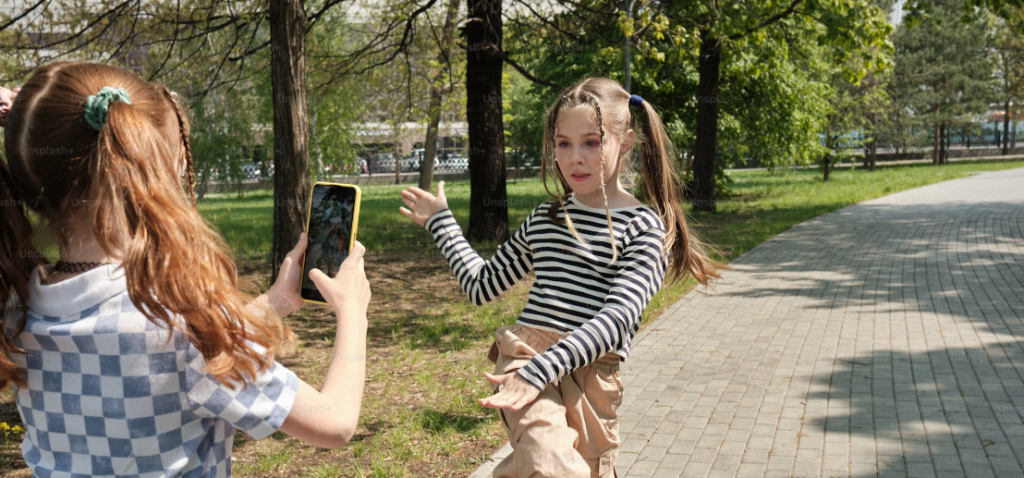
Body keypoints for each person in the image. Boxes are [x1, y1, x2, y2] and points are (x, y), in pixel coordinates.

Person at [0, 62, 371, 477]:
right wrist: (353, 312)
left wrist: (275, 302)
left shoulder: (17, 310)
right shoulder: (183, 326)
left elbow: (146, 346)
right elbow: (335, 422)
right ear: (154, 171)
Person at [398, 77, 724, 477]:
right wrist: (441, 223)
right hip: (526, 356)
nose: (575, 158)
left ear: (625, 142)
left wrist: (547, 369)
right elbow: (482, 286)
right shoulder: (546, 218)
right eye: (563, 143)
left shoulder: (643, 228)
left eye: (591, 142)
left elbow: (617, 320)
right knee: (550, 464)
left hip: (593, 377)